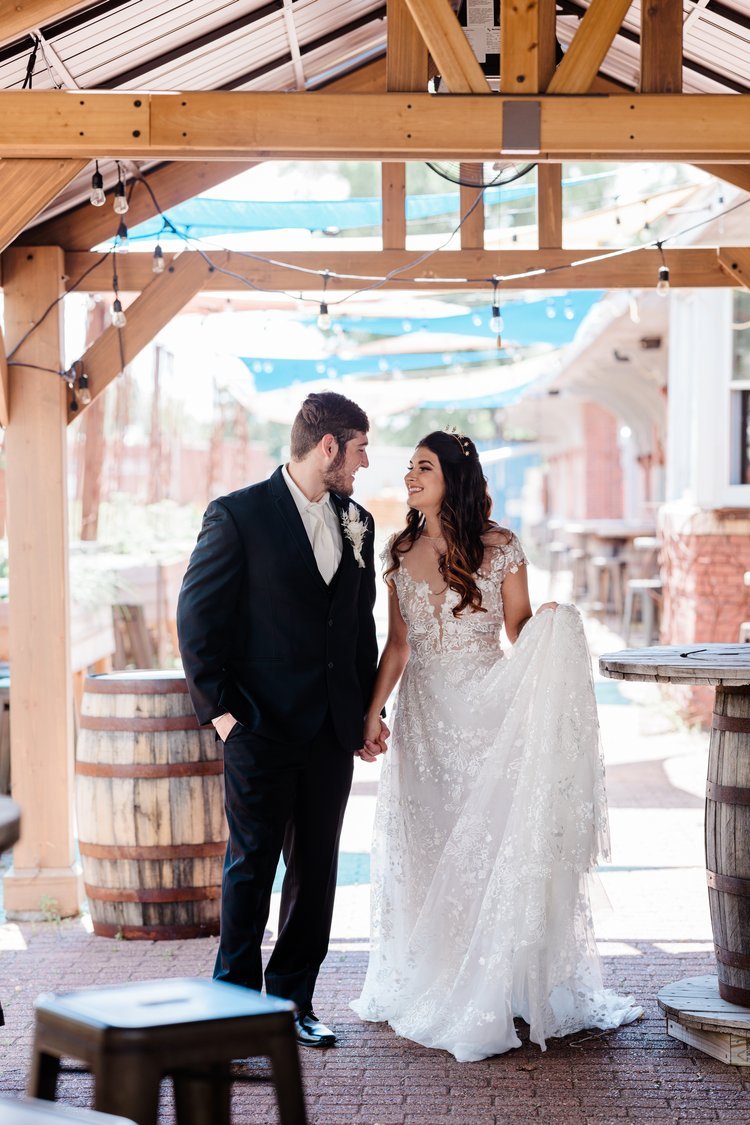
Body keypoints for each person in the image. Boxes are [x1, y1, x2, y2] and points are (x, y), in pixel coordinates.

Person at [351, 430, 641, 1062]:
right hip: (423, 720)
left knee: (484, 847)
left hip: (486, 715)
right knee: (426, 845)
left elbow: (518, 632)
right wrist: (371, 711)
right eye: (408, 467)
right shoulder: (399, 550)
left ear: (452, 477)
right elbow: (398, 646)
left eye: (422, 467)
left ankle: (496, 981)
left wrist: (554, 628)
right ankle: (437, 971)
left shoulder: (501, 548)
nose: (409, 476)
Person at [177, 391, 387, 1049]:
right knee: (250, 867)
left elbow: (358, 624)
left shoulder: (359, 520)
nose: (365, 462)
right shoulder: (236, 515)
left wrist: (364, 713)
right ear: (329, 445)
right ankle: (233, 1008)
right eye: (359, 448)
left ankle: (294, 1000)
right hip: (259, 730)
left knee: (316, 870)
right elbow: (196, 620)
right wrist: (224, 716)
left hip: (330, 733)